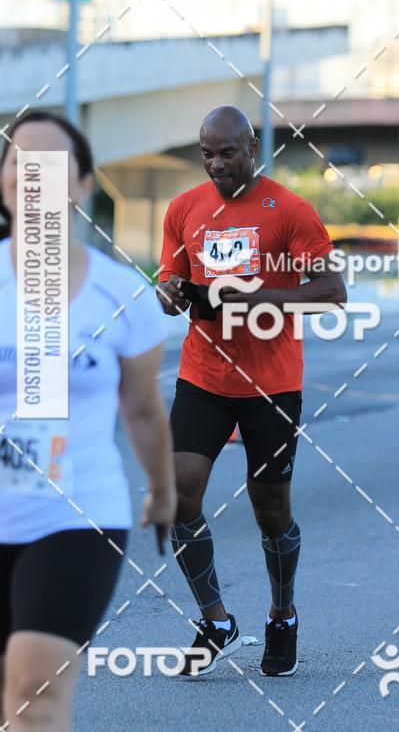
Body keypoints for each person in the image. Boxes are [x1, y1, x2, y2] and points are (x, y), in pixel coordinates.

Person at [0, 111, 176, 731]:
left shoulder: (122, 294)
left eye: (51, 165)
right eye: (20, 161)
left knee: (32, 693)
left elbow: (142, 406)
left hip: (77, 512)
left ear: (82, 185)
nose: (33, 175)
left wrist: (162, 490)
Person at [157, 105, 346, 678]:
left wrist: (262, 300)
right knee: (179, 493)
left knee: (270, 511)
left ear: (253, 146)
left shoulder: (289, 209)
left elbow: (333, 287)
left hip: (271, 383)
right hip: (203, 375)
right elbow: (172, 275)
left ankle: (282, 616)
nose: (216, 164)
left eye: (227, 152)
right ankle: (216, 620)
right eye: (206, 153)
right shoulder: (184, 208)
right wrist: (170, 293)